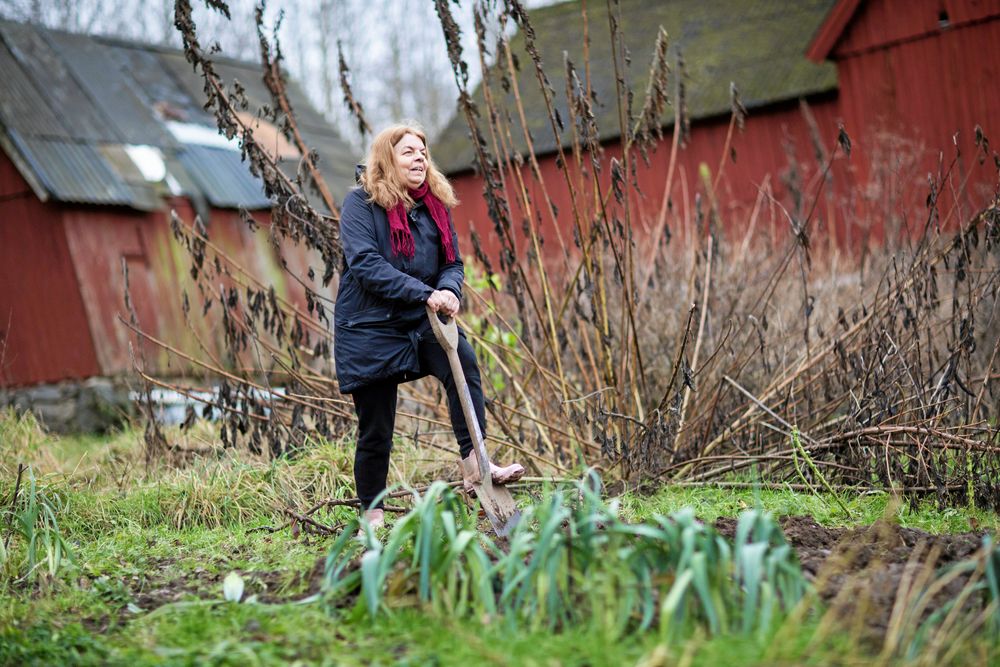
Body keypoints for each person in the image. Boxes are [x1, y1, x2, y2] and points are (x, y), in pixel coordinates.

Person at [334, 123, 524, 528]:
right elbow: (366, 265)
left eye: (423, 151)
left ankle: (476, 466)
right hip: (369, 328)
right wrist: (425, 293)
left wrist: (449, 290)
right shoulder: (360, 205)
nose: (420, 157)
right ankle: (373, 512)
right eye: (408, 152)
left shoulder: (433, 206)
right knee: (376, 427)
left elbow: (451, 263)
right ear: (387, 159)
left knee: (464, 363)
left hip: (420, 323)